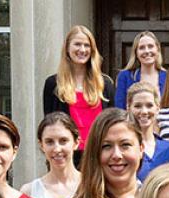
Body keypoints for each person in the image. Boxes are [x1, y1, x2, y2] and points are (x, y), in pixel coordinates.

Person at [43, 25, 116, 154]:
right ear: (67, 48)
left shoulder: (105, 84)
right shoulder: (53, 84)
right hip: (67, 157)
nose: (82, 50)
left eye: (87, 45)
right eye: (77, 44)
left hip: (100, 156)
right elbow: (49, 126)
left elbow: (112, 125)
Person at [21, 112, 83, 198]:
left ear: (76, 143)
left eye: (63, 141)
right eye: (49, 142)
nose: (57, 149)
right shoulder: (30, 192)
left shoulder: (93, 186)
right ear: (41, 145)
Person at [128, 82, 169, 181]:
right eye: (137, 106)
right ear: (128, 108)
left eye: (149, 106)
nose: (144, 111)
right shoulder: (124, 149)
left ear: (157, 109)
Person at [114, 31, 167, 109]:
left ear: (158, 49)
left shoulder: (168, 76)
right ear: (136, 53)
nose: (147, 51)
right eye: (142, 48)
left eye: (150, 46)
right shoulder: (125, 76)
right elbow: (120, 108)